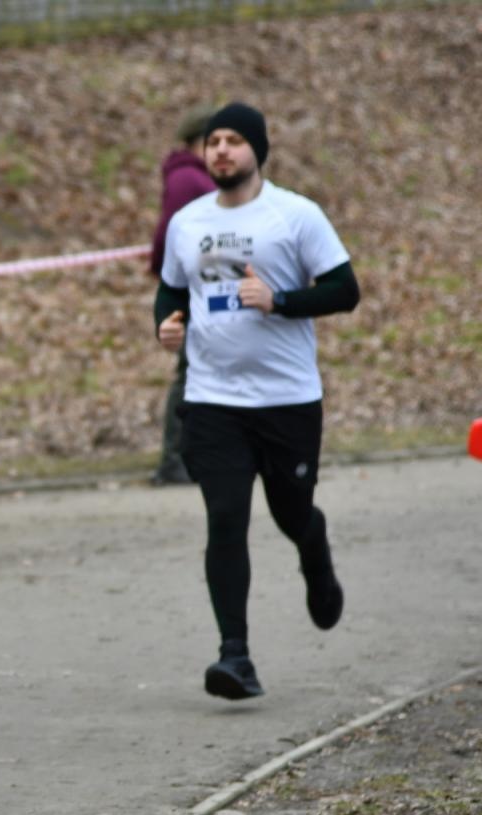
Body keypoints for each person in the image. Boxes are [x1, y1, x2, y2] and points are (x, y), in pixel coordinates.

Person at [153, 103, 360, 700]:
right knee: (225, 519)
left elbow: (345, 291)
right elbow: (171, 286)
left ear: (257, 151)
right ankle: (234, 656)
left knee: (291, 513)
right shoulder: (188, 222)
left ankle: (314, 552)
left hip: (286, 399)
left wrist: (281, 301)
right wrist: (164, 322)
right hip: (212, 398)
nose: (220, 149)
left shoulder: (296, 215)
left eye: (234, 140)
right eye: (213, 140)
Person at [148, 104, 219, 485]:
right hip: (194, 288)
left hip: (210, 287)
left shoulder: (197, 177)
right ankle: (173, 458)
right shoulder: (187, 180)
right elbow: (169, 235)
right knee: (190, 373)